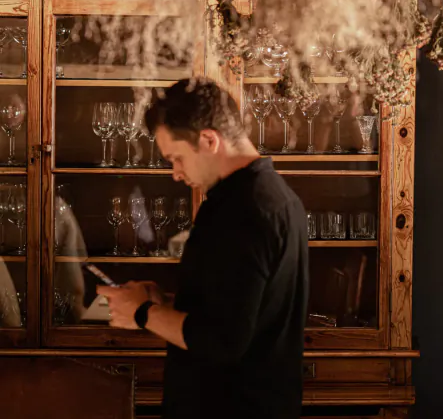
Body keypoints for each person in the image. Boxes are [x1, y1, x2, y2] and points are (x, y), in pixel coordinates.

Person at [98, 77, 309, 419]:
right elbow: (241, 308)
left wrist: (141, 314)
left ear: (210, 140)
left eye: (176, 158)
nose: (175, 174)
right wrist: (164, 302)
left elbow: (223, 341)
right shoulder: (275, 198)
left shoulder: (242, 211)